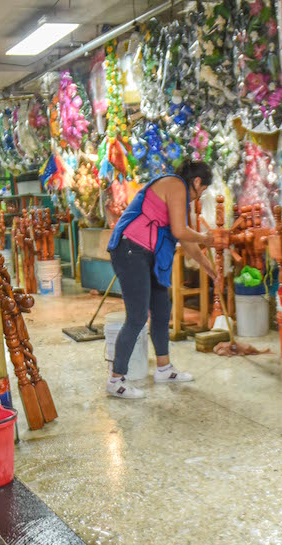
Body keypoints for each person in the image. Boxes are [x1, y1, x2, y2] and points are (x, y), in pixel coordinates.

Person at [105, 161, 218, 399]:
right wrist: (206, 238)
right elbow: (179, 231)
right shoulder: (176, 185)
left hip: (148, 254)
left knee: (161, 308)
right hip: (130, 249)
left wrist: (210, 269)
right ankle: (116, 380)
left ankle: (164, 368)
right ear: (197, 182)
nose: (199, 197)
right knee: (137, 317)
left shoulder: (180, 195)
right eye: (203, 191)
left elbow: (186, 239)